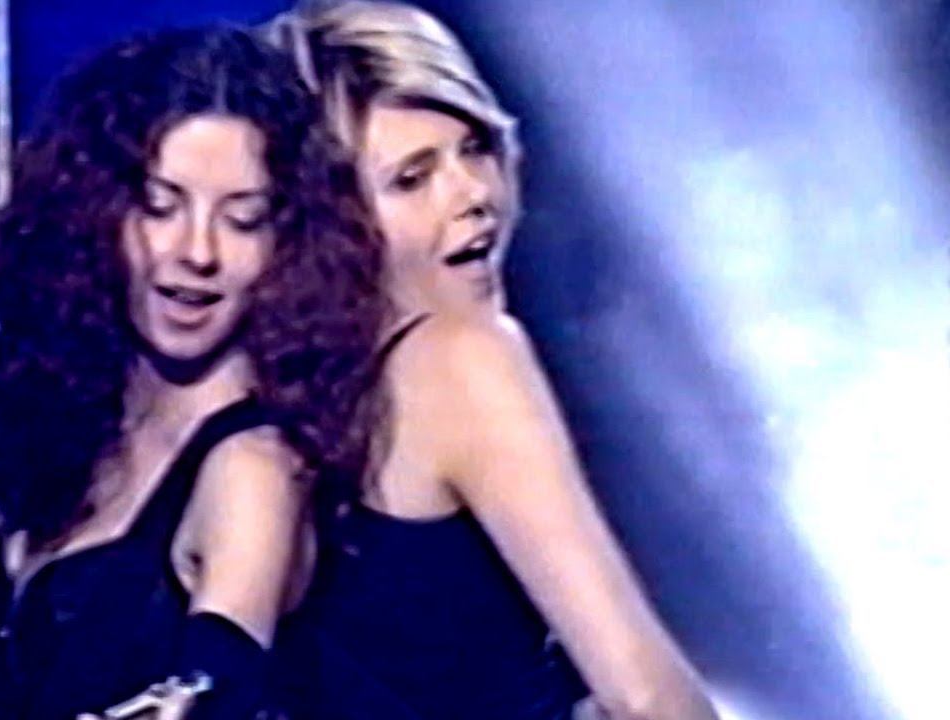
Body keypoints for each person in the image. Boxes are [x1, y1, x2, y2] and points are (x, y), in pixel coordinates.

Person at [265, 3, 721, 718]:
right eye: (412, 178)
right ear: (327, 218)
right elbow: (646, 698)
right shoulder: (463, 361)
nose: (473, 194)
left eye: (474, 149)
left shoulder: (280, 412)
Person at [0, 25, 383, 720]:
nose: (197, 251)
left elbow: (218, 687)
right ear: (97, 211)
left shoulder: (253, 470)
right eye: (161, 206)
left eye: (243, 219)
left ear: (287, 241)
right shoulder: (83, 428)